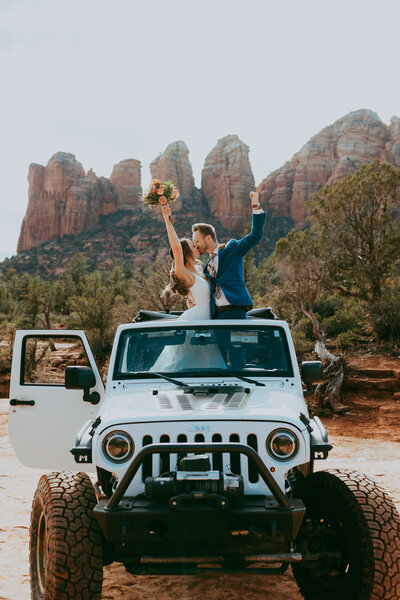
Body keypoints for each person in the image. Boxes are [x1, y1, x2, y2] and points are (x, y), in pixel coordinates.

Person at [150, 204, 225, 372]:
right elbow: (176, 248)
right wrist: (168, 220)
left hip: (207, 324)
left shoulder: (199, 271)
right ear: (186, 252)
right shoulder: (182, 272)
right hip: (195, 324)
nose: (196, 245)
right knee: (187, 367)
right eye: (193, 244)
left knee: (208, 368)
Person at [192, 191, 265, 321]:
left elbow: (255, 235)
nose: (195, 245)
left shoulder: (232, 249)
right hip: (216, 316)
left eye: (197, 241)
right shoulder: (207, 267)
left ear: (208, 238)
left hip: (235, 310)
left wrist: (255, 206)